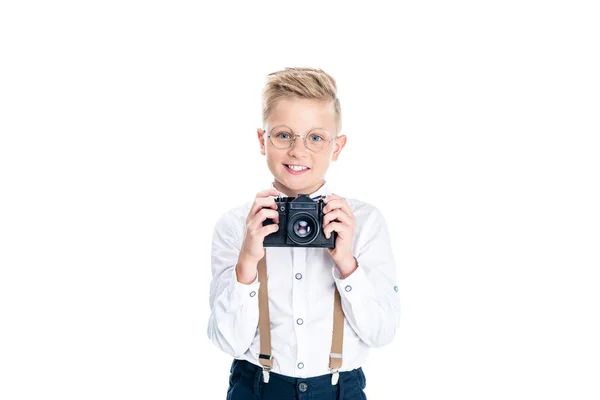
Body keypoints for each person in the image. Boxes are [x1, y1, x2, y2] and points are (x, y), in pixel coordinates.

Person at [207, 67, 401, 399]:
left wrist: (347, 263)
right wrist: (247, 262)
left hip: (339, 387)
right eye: (284, 135)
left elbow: (382, 333)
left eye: (315, 137)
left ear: (336, 147)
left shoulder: (364, 222)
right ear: (262, 141)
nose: (299, 151)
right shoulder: (236, 225)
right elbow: (227, 342)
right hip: (258, 386)